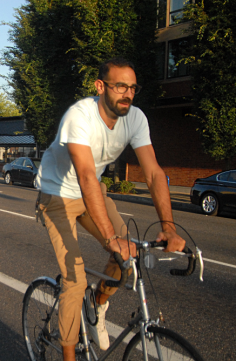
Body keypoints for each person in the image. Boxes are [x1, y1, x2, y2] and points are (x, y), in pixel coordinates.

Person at [36, 57, 186, 360]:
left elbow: (154, 173)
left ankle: (99, 304)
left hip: (92, 195)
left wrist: (168, 226)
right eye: (120, 86)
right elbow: (87, 175)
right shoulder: (79, 116)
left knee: (129, 254)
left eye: (132, 88)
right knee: (75, 282)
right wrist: (109, 237)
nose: (127, 94)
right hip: (57, 197)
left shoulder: (136, 119)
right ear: (100, 86)